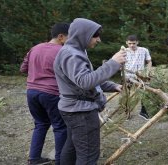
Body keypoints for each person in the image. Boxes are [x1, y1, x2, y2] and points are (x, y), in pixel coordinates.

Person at [53, 18, 126, 164]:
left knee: (72, 147)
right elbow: (85, 82)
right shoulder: (72, 54)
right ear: (83, 34)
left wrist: (112, 86)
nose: (98, 40)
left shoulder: (75, 51)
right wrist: (113, 63)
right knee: (88, 155)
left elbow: (85, 78)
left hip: (73, 109)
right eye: (95, 35)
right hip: (81, 113)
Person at [20, 22, 70, 165]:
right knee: (60, 127)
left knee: (40, 124)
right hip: (51, 94)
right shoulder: (61, 52)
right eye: (69, 37)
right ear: (61, 37)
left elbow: (23, 68)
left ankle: (34, 158)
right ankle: (61, 161)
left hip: (31, 92)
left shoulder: (35, 48)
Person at [124, 34, 152, 120]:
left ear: (137, 42)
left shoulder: (144, 50)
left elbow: (149, 61)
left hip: (140, 75)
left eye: (133, 43)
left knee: (144, 93)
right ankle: (127, 112)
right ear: (126, 43)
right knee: (127, 94)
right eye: (129, 43)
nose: (132, 45)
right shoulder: (123, 51)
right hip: (127, 75)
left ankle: (143, 112)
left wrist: (147, 71)